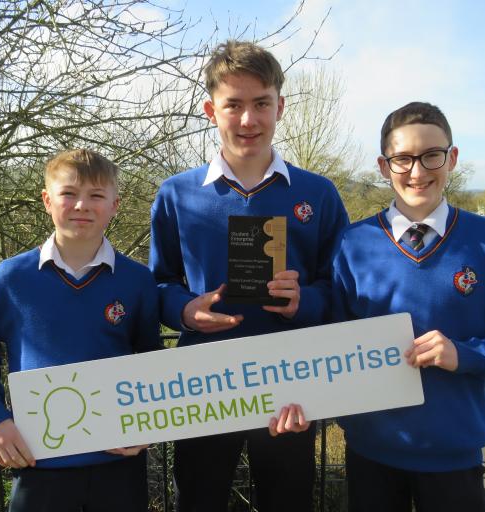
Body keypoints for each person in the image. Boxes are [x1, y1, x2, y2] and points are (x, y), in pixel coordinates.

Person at [149, 40, 349, 511]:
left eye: (261, 104)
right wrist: (184, 309)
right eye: (233, 105)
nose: (248, 120)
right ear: (209, 110)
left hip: (292, 380)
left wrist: (307, 302)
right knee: (198, 500)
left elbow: (341, 288)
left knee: (288, 500)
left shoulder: (318, 194)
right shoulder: (176, 195)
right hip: (202, 382)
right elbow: (159, 284)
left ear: (280, 106)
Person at [332, 101, 485, 512]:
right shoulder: (352, 245)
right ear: (384, 167)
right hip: (370, 452)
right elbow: (327, 345)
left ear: (452, 158)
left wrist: (464, 353)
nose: (417, 172)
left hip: (454, 456)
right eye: (402, 159)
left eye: (431, 155)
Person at [0, 149, 160, 512]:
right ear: (47, 201)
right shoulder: (10, 279)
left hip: (119, 465)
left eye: (96, 195)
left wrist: (150, 424)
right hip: (39, 464)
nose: (82, 205)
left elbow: (150, 362)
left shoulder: (138, 281)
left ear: (115, 205)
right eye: (69, 194)